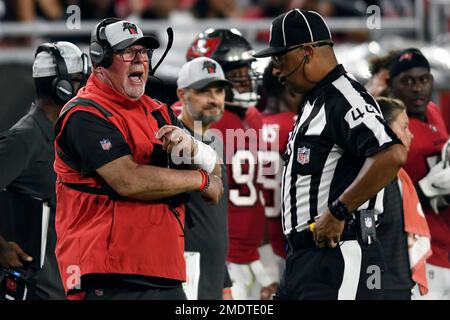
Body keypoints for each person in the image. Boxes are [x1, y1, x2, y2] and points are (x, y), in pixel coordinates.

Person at [53, 18, 223, 300]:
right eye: (127, 52)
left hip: (165, 272)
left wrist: (193, 148)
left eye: (144, 52)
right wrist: (200, 179)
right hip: (109, 275)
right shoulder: (84, 113)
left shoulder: (159, 111)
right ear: (101, 60)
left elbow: (215, 173)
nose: (139, 60)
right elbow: (127, 179)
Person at [253, 9, 407, 300]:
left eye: (279, 57)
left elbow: (391, 153)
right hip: (306, 258)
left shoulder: (343, 96)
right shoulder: (315, 101)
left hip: (339, 252)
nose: (275, 70)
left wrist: (339, 210)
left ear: (307, 52)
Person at [184, 28, 278, 300]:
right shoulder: (197, 124)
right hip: (216, 257)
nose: (246, 81)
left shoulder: (253, 116)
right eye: (235, 76)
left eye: (245, 73)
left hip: (252, 254)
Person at [0, 41, 88, 299]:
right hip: (40, 288)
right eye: (79, 81)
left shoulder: (66, 136)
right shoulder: (25, 138)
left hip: (66, 282)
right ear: (61, 87)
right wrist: (2, 248)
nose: (86, 89)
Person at [387, 48, 450, 299]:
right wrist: (426, 190)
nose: (417, 88)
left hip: (444, 243)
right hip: (419, 252)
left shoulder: (433, 111)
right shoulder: (392, 131)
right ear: (392, 86)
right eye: (408, 81)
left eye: (423, 80)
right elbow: (385, 201)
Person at [176, 56, 233, 300]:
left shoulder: (213, 141)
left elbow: (214, 220)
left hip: (211, 273)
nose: (214, 99)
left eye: (219, 90)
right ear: (182, 94)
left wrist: (224, 282)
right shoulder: (174, 142)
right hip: (183, 272)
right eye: (203, 91)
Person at [376, 97, 432, 300]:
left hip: (396, 284)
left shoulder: (397, 176)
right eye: (404, 127)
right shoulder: (379, 179)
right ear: (386, 130)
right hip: (383, 288)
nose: (411, 135)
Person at [258, 62, 300, 278]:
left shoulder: (246, 126)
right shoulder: (298, 125)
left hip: (251, 246)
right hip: (287, 244)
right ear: (291, 89)